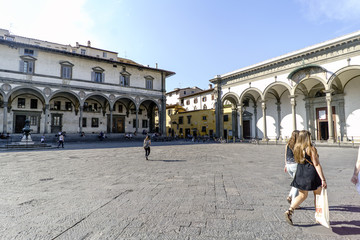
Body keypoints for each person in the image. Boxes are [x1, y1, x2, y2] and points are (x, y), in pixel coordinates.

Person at [284, 130, 327, 225]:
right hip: (311, 173)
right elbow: (316, 164)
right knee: (318, 195)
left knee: (302, 195)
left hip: (300, 173)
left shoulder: (296, 148)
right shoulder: (311, 149)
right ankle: (318, 216)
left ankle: (290, 210)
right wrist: (323, 179)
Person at [284, 130, 300, 205]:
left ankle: (290, 196)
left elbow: (286, 154)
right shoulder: (298, 145)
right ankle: (294, 202)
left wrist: (285, 164)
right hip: (295, 165)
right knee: (297, 183)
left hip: (288, 165)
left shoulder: (288, 144)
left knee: (296, 182)